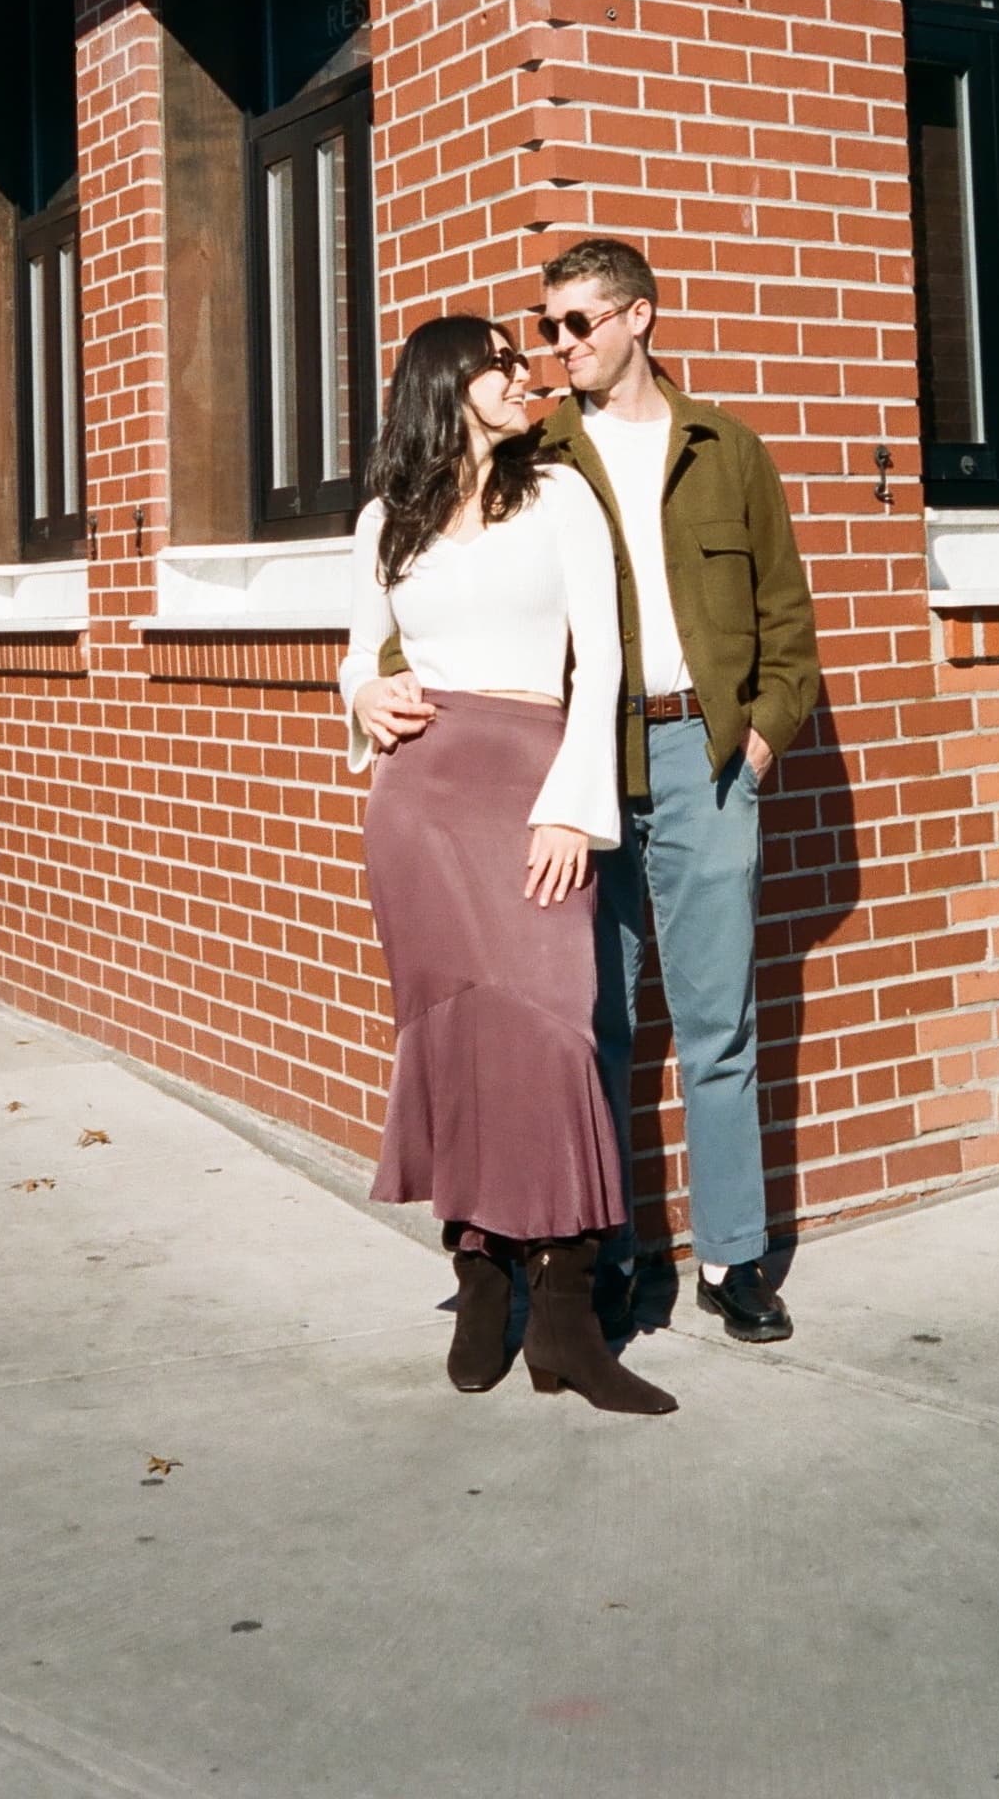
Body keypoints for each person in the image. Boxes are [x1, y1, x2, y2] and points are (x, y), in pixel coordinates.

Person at [340, 313, 678, 1417]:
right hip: (419, 805)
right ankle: (481, 1284)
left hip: (535, 785)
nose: (519, 375)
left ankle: (570, 1318)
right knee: (460, 1035)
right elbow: (356, 655)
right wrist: (363, 696)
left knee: (557, 1028)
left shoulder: (561, 495)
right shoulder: (384, 520)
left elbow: (606, 657)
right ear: (445, 383)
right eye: (496, 362)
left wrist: (573, 809)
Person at [536, 238, 821, 1342]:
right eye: (551, 328)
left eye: (578, 324)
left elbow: (787, 623)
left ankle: (732, 1261)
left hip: (701, 761)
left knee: (717, 1026)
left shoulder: (726, 450)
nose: (560, 349)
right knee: (595, 1024)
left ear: (638, 318)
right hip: (586, 770)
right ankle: (607, 1254)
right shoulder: (540, 456)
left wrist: (755, 744)